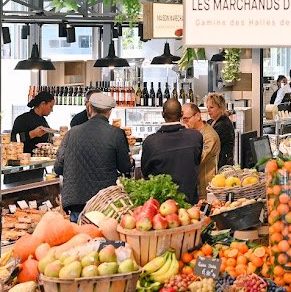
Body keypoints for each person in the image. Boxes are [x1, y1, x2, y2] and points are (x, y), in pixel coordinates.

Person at [54, 93, 131, 222]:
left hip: (76, 202)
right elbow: (124, 167)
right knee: (103, 240)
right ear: (109, 112)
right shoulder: (116, 134)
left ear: (89, 108)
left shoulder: (71, 133)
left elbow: (58, 168)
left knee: (80, 239)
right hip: (103, 203)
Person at [141, 99, 203, 204]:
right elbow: (196, 162)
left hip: (161, 205)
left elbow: (145, 171)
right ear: (181, 114)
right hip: (190, 203)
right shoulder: (195, 136)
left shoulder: (150, 141)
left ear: (162, 114)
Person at [182, 103, 220, 199]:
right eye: (182, 119)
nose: (184, 123)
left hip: (204, 191)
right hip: (194, 188)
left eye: (186, 119)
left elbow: (196, 160)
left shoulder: (209, 137)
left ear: (198, 116)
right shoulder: (193, 132)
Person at [206, 93, 235, 168]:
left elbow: (210, 143)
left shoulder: (223, 124)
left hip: (222, 165)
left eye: (211, 107)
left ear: (220, 108)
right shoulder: (211, 122)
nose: (208, 110)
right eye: (207, 107)